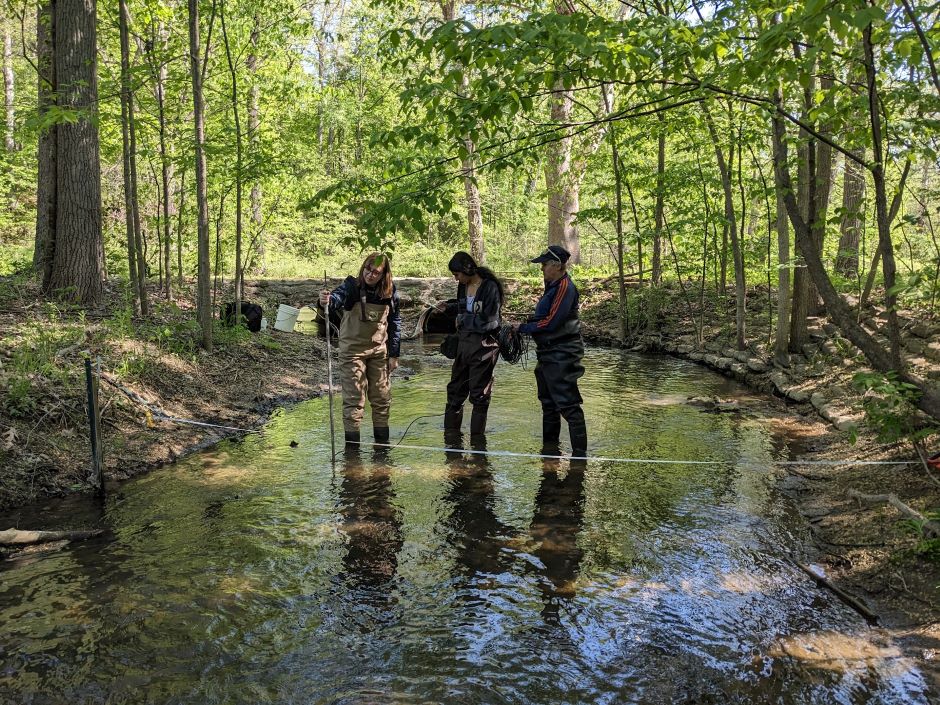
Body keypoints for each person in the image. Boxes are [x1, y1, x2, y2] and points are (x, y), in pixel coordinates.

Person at [512, 245, 587, 457]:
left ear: (556, 265)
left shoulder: (565, 287)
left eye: (544, 264)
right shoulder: (552, 286)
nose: (541, 268)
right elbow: (545, 319)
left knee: (569, 406)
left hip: (562, 354)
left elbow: (552, 322)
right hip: (548, 353)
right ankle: (550, 454)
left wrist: (523, 328)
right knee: (549, 404)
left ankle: (580, 458)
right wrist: (527, 324)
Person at [319, 253, 401, 446]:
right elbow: (336, 299)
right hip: (352, 352)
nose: (370, 275)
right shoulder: (351, 287)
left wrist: (394, 354)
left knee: (382, 398)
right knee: (354, 400)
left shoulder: (390, 292)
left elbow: (395, 322)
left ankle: (382, 449)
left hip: (379, 352)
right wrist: (326, 301)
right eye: (367, 270)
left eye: (376, 272)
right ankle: (352, 453)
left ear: (384, 275)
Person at [438, 251, 504, 437]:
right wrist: (449, 308)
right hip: (464, 344)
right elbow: (463, 308)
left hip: (484, 347)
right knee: (455, 390)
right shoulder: (463, 286)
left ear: (467, 270)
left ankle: (477, 445)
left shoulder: (489, 287)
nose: (456, 279)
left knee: (479, 395)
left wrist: (464, 320)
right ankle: (451, 441)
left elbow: (491, 322)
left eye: (457, 274)